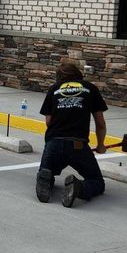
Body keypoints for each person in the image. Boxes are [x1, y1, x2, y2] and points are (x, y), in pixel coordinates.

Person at [35, 60, 108, 207]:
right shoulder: (90, 88)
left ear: (58, 77)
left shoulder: (54, 89)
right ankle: (80, 188)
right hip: (78, 145)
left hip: (54, 143)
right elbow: (100, 123)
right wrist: (100, 145)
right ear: (78, 74)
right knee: (97, 182)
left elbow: (48, 122)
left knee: (47, 171)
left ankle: (46, 179)